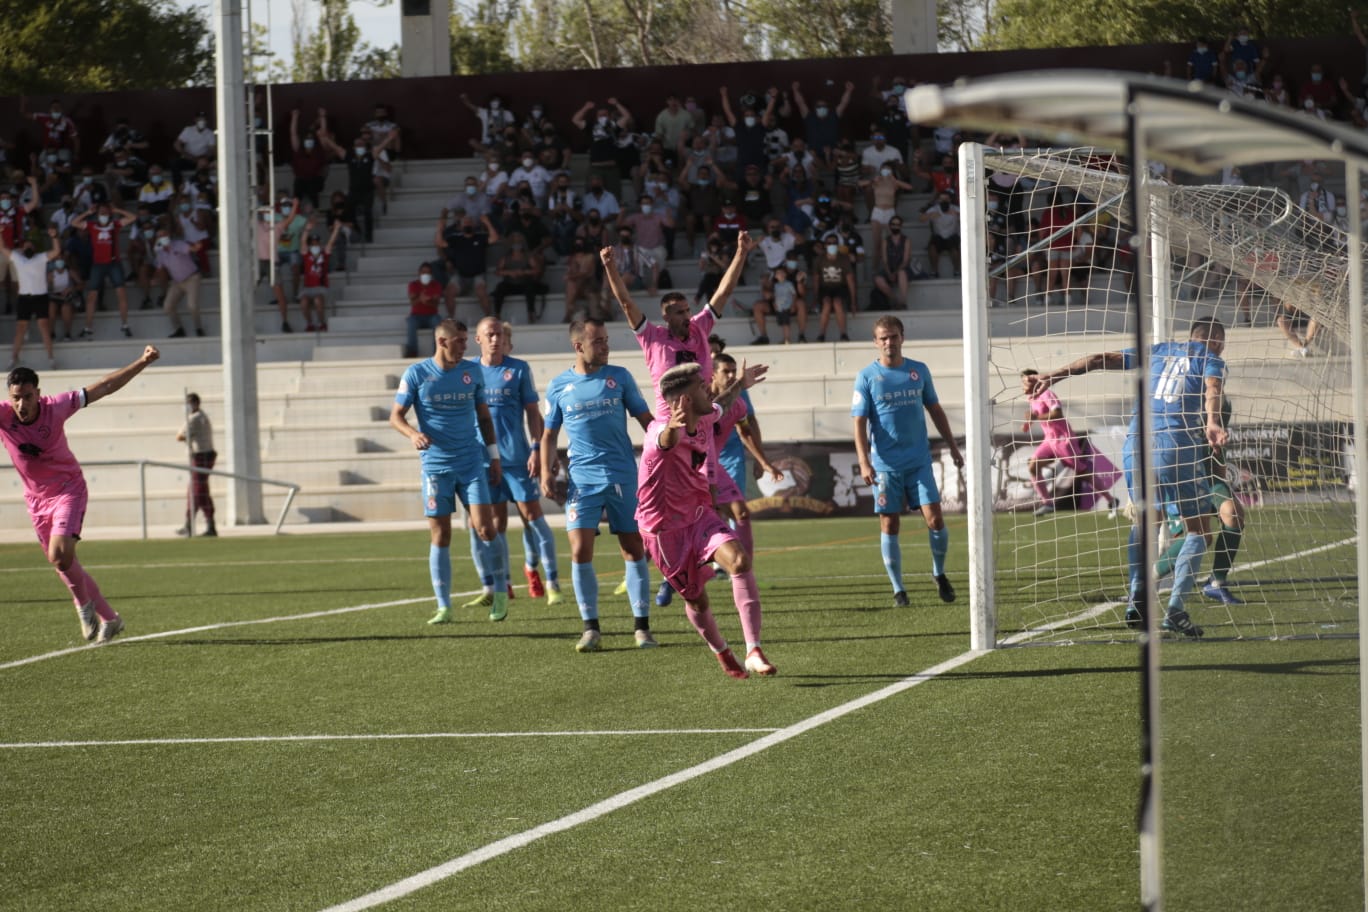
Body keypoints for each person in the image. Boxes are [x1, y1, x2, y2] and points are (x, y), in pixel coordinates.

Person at [1027, 317, 1229, 638]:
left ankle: (1137, 592)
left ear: (1190, 336)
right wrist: (1213, 422)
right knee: (1200, 531)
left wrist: (1052, 376)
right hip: (1176, 443)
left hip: (1135, 444)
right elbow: (1213, 388)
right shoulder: (1212, 359)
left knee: (1147, 522)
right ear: (1216, 341)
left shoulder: (1158, 350)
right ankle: (1176, 609)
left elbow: (1099, 360)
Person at [2, 347, 160, 643]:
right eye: (16, 397)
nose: (22, 404)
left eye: (27, 396)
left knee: (59, 555)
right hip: (35, 501)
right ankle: (110, 618)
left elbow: (105, 386)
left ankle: (82, 603)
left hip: (67, 490)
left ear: (38, 393)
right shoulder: (4, 417)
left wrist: (141, 361)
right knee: (62, 561)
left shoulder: (58, 406)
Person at [638, 362, 778, 678]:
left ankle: (753, 649)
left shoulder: (703, 418)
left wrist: (741, 383)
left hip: (700, 516)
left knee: (740, 561)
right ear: (685, 400)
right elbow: (666, 441)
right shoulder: (658, 433)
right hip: (664, 532)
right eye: (702, 386)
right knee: (698, 602)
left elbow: (722, 404)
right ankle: (721, 650)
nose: (708, 389)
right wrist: (674, 425)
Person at [540, 319, 657, 652]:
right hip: (581, 479)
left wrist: (667, 441)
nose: (606, 347)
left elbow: (646, 421)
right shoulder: (559, 385)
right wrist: (547, 472)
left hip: (622, 474)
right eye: (599, 342)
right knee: (580, 550)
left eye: (607, 340)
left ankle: (642, 628)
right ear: (579, 346)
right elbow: (549, 434)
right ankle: (590, 628)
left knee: (632, 548)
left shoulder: (619, 377)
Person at [390, 319, 508, 625]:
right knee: (440, 534)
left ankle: (500, 591)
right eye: (459, 341)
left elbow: (484, 418)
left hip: (471, 463)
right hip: (435, 466)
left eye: (466, 340)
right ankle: (443, 605)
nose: (465, 346)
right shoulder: (416, 374)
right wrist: (413, 434)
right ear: (442, 342)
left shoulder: (472, 372)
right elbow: (396, 416)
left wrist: (493, 457)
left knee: (485, 528)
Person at [852, 316, 965, 608]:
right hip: (885, 465)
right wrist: (864, 462)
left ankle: (939, 573)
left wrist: (952, 446)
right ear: (876, 342)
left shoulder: (918, 370)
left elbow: (935, 409)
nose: (889, 342)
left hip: (918, 461)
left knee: (936, 519)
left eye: (894, 336)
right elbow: (859, 423)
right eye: (883, 338)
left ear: (903, 338)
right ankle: (898, 589)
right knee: (890, 524)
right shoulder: (866, 376)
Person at [464, 318, 563, 607]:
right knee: (493, 523)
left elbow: (533, 412)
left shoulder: (518, 369)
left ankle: (551, 581)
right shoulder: (468, 371)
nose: (495, 339)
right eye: (489, 334)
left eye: (499, 334)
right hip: (482, 461)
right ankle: (502, 583)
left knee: (533, 516)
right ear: (478, 339)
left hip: (517, 459)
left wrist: (536, 448)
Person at [1153, 394, 1246, 606]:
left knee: (1233, 513)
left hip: (1209, 479)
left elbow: (1217, 467)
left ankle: (1216, 583)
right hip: (1182, 477)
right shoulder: (1173, 408)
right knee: (1201, 537)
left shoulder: (1218, 403)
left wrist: (1217, 449)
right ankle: (1151, 576)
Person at [1018, 369, 1121, 518]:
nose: (1023, 385)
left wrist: (1036, 416)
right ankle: (1047, 503)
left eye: (1025, 381)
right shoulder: (1032, 399)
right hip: (1050, 440)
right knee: (1033, 465)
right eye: (1022, 382)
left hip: (1063, 439)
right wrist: (1028, 423)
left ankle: (1111, 500)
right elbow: (1037, 417)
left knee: (1082, 473)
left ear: (1034, 381)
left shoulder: (1047, 394)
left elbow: (1057, 414)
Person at [70, 203, 136, 339]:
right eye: (101, 213)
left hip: (113, 263)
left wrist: (117, 209)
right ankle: (88, 327)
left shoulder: (115, 225)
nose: (104, 215)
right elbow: (74, 222)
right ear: (97, 214)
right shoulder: (92, 226)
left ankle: (125, 324)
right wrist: (88, 212)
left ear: (110, 214)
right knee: (91, 296)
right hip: (98, 264)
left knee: (121, 293)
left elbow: (133, 217)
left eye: (106, 213)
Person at [4, 225, 61, 369]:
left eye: (30, 246)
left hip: (40, 297)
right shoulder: (17, 258)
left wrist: (54, 237)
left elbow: (56, 251)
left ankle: (51, 358)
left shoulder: (41, 258)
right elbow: (2, 248)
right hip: (24, 298)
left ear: (34, 248)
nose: (28, 248)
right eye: (25, 246)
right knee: (20, 329)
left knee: (44, 327)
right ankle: (13, 358)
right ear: (22, 249)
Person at [176, 392, 217, 537]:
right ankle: (203, 524)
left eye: (189, 403)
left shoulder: (195, 418)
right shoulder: (200, 416)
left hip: (202, 456)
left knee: (198, 491)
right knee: (198, 490)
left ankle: (193, 523)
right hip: (203, 455)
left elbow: (180, 436)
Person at [297, 221, 343, 333]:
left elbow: (331, 243)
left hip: (321, 287)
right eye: (312, 243)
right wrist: (307, 230)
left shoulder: (324, 255)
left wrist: (336, 229)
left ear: (320, 244)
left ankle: (321, 323)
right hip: (307, 288)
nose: (315, 245)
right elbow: (303, 242)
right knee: (303, 302)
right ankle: (310, 323)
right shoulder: (307, 255)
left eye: (317, 243)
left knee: (318, 300)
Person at [404, 262, 443, 358]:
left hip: (432, 315)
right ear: (419, 273)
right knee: (411, 323)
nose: (425, 275)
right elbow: (412, 302)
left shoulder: (436, 285)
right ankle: (412, 351)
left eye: (428, 273)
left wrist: (425, 301)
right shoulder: (413, 285)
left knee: (438, 323)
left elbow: (436, 303)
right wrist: (421, 299)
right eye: (423, 272)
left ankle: (437, 352)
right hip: (416, 316)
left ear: (431, 274)